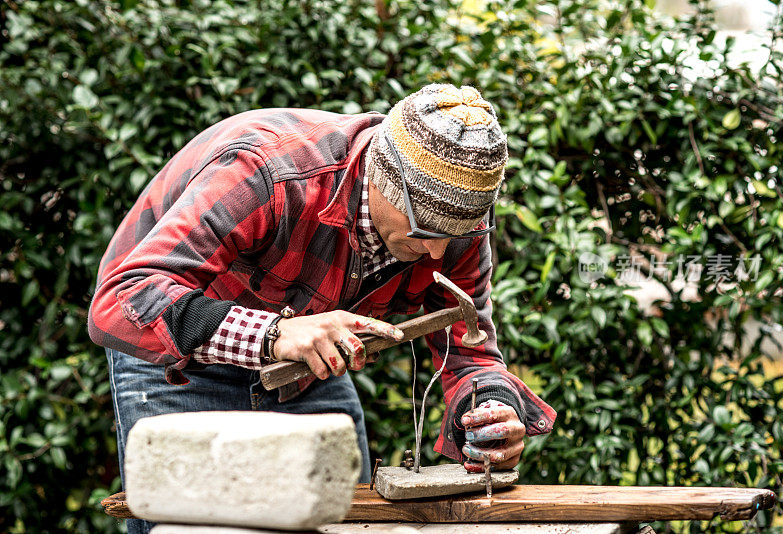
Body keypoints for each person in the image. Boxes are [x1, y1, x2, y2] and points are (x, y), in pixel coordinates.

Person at [88, 83, 556, 533]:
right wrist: (273, 336)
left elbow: (470, 351)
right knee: (191, 526)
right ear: (383, 180)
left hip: (305, 375)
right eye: (423, 231)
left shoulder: (454, 228)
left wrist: (491, 409)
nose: (437, 254)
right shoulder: (268, 171)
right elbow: (122, 301)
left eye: (454, 235)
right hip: (180, 358)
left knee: (337, 519)